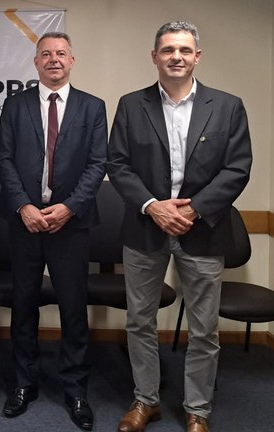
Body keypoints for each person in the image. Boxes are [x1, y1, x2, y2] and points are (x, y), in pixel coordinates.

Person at [107, 21, 252, 432]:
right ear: (154, 57)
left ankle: (197, 410)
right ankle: (145, 401)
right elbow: (117, 163)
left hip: (202, 231)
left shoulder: (227, 106)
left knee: (204, 329)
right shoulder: (131, 105)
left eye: (185, 50)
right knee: (140, 322)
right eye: (168, 50)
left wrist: (193, 210)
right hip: (145, 229)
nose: (176, 57)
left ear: (197, 57)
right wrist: (152, 206)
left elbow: (237, 168)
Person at [0, 32, 107, 431]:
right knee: (23, 305)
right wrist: (23, 205)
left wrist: (70, 208)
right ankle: (24, 384)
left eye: (60, 53)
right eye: (46, 54)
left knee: (73, 308)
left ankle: (75, 388)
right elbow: (3, 159)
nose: (53, 59)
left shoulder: (93, 107)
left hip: (70, 225)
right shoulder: (16, 104)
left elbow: (98, 164)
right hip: (24, 222)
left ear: (72, 60)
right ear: (36, 62)